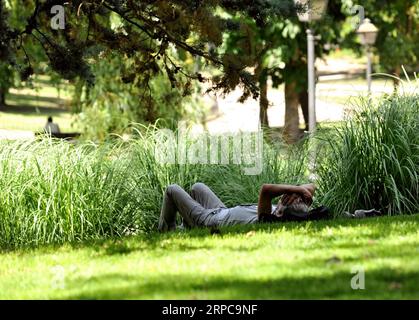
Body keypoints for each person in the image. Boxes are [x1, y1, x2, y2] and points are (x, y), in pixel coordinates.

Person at [158, 182, 330, 232]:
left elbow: (266, 190)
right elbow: (313, 185)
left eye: (283, 205)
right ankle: (187, 229)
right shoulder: (280, 212)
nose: (281, 203)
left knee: (172, 190)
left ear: (280, 214)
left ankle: (167, 231)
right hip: (221, 210)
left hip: (210, 221)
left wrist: (296, 189)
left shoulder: (267, 219)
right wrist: (303, 194)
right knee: (197, 187)